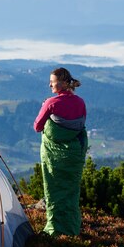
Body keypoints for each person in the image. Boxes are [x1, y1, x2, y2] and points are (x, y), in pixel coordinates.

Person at [33, 67, 88, 236]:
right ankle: (71, 228)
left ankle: (55, 229)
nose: (50, 84)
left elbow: (37, 127)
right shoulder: (80, 102)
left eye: (53, 81)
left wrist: (45, 108)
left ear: (63, 83)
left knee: (55, 190)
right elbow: (78, 127)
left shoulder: (51, 103)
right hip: (74, 156)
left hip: (55, 158)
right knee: (71, 191)